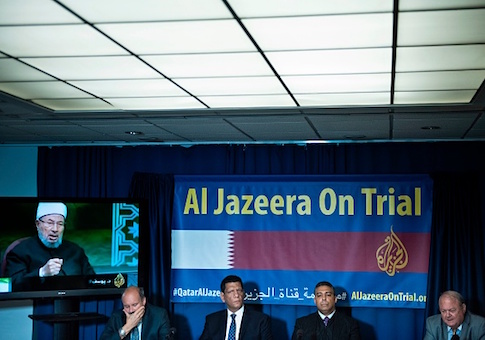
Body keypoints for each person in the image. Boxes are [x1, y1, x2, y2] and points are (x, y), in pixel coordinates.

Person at [5, 202, 95, 290]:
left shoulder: (76, 251)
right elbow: (10, 285)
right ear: (38, 224)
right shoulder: (20, 251)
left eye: (60, 224)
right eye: (50, 223)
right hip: (35, 303)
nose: (55, 229)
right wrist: (41, 273)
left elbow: (93, 282)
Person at [200, 274, 273, 340]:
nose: (236, 295)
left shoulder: (260, 320)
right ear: (223, 296)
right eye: (231, 291)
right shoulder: (212, 320)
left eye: (239, 290)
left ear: (243, 294)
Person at [291, 281, 360, 340]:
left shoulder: (351, 324)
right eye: (319, 295)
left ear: (335, 299)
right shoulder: (302, 324)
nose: (324, 298)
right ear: (315, 300)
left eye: (328, 295)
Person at [100, 285, 172, 340]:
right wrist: (127, 328)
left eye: (134, 305)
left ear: (143, 301)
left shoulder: (159, 315)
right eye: (127, 306)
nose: (131, 310)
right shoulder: (117, 317)